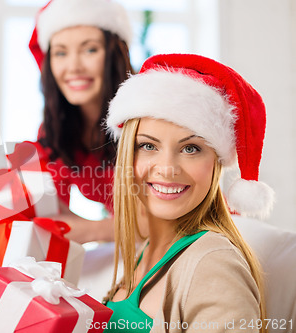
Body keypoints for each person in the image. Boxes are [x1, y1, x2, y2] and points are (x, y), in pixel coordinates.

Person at [103, 54, 274, 332]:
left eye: (191, 148)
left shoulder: (214, 264)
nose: (168, 169)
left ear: (216, 163)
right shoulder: (148, 251)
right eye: (148, 146)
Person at [27, 0, 136, 243]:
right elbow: (51, 211)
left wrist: (89, 230)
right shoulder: (56, 130)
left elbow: (175, 216)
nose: (73, 67)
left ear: (115, 54)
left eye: (90, 50)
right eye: (61, 53)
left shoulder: (147, 114)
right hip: (134, 247)